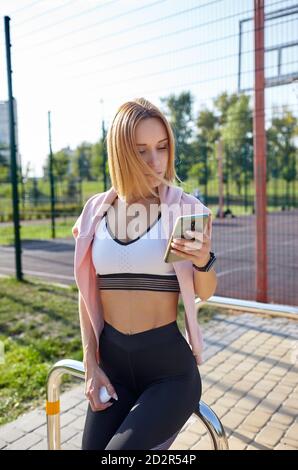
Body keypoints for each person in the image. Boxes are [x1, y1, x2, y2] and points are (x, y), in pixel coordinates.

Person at [72, 97, 217, 450]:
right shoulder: (95, 211)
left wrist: (203, 260)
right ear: (121, 153)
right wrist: (91, 364)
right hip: (114, 366)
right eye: (141, 151)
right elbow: (86, 292)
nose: (156, 161)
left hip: (169, 372)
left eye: (162, 147)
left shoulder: (185, 209)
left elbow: (207, 291)